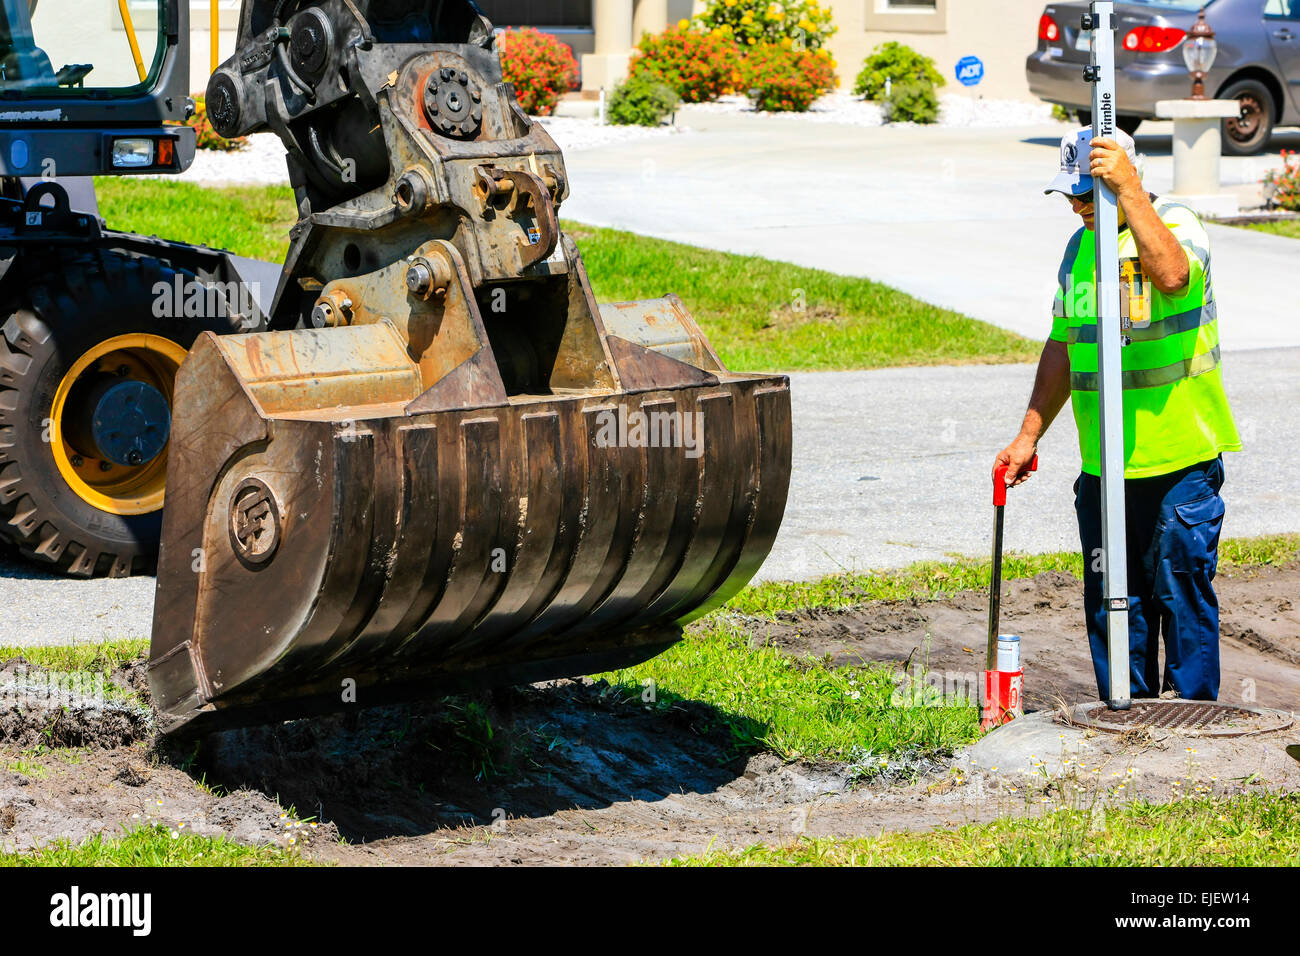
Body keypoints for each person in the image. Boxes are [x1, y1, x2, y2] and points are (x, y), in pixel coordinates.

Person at [994, 126, 1241, 702]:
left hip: (1181, 463)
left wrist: (1128, 194)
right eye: (1071, 194)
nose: (1079, 206)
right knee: (1112, 599)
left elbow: (1175, 277)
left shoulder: (1177, 224)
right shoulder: (1080, 249)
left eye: (1089, 191)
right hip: (1104, 468)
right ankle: (1123, 723)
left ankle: (1194, 728)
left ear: (1127, 176)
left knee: (1182, 595)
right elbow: (1063, 344)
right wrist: (1028, 435)